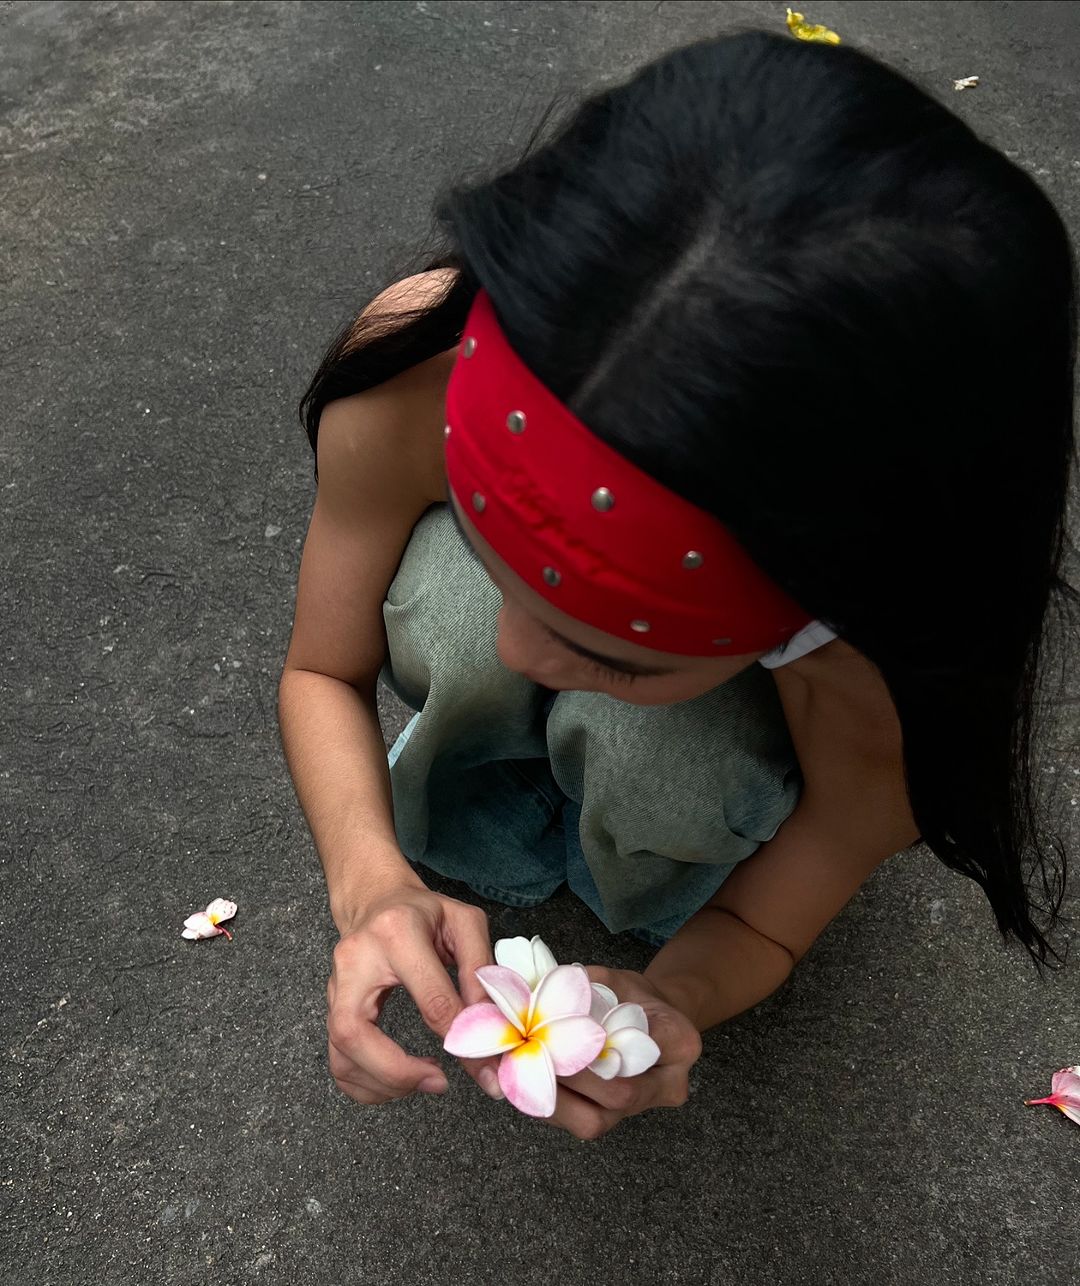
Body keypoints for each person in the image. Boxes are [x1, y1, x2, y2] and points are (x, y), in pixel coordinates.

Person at [278, 30, 1076, 1139]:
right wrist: (369, 883)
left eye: (615, 649)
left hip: (740, 749)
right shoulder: (417, 361)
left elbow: (777, 914)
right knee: (458, 631)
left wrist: (677, 994)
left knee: (665, 761)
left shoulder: (887, 670)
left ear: (826, 601)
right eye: (484, 534)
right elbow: (324, 664)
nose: (519, 647)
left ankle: (660, 836)